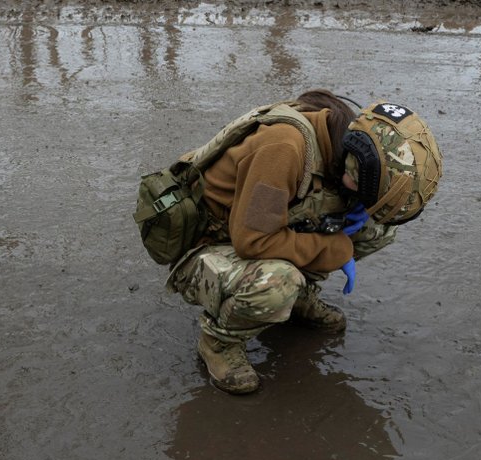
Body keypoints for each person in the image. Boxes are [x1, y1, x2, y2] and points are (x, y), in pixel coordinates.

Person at [165, 89, 443, 395]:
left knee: (376, 230)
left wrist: (355, 210)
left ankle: (299, 299)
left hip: (253, 226)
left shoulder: (341, 141)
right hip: (206, 243)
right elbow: (253, 241)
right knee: (278, 283)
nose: (363, 199)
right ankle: (219, 342)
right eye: (364, 189)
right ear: (358, 162)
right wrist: (334, 248)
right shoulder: (284, 148)